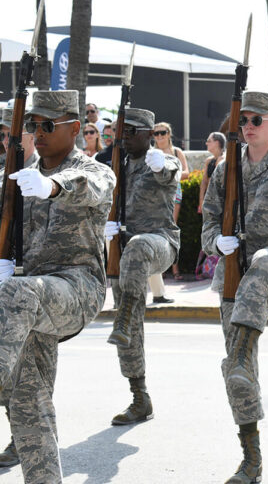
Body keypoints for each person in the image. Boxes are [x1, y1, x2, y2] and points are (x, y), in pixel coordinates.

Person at [0, 90, 115, 482]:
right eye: (34, 124)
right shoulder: (18, 176)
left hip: (77, 289)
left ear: (76, 128)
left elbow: (88, 185)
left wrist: (52, 186)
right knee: (29, 400)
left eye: (48, 125)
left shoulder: (93, 171)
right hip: (29, 300)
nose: (39, 132)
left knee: (16, 293)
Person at [201, 91, 268, 483]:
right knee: (239, 374)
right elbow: (209, 219)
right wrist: (215, 242)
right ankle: (251, 457)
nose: (247, 127)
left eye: (256, 120)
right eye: (243, 120)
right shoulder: (225, 167)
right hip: (233, 267)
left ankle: (242, 352)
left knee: (264, 262)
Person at [103, 108, 180, 426]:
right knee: (130, 331)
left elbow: (170, 173)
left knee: (138, 247)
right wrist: (104, 225)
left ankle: (123, 317)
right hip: (124, 252)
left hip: (159, 242)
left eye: (132, 131)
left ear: (149, 134)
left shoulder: (160, 160)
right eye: (121, 131)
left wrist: (162, 164)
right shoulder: (115, 167)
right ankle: (140, 397)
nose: (124, 136)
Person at [0, 107, 40, 470]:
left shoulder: (49, 173)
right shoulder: (3, 174)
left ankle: (22, 440)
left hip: (35, 283)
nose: (5, 141)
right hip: (5, 276)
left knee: (22, 369)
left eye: (8, 134)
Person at [153, 122, 189, 281]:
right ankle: (160, 269)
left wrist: (168, 174)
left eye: (162, 132)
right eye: (156, 133)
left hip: (174, 192)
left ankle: (175, 268)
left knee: (171, 228)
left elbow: (187, 173)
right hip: (155, 194)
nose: (159, 136)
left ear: (168, 134)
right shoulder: (151, 153)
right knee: (156, 229)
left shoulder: (176, 152)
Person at [198, 131, 226, 214]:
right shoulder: (209, 160)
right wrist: (201, 200)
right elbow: (204, 182)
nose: (206, 143)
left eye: (209, 141)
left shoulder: (223, 160)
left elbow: (219, 182)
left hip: (219, 200)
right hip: (210, 198)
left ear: (217, 143)